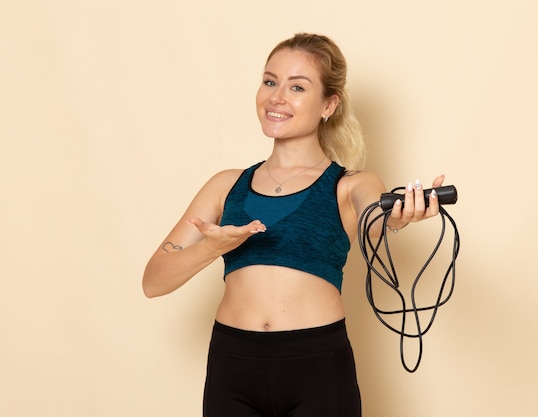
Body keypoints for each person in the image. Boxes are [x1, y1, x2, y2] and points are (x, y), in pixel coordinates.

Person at [143, 32, 444, 417]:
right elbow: (154, 281)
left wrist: (401, 216)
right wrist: (212, 247)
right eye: (270, 81)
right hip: (232, 367)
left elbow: (377, 220)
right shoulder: (225, 185)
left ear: (328, 104)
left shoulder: (351, 184)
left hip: (316, 366)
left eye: (297, 87)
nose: (276, 97)